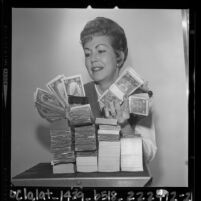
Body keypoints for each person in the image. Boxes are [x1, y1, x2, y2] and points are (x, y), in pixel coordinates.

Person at [80, 17, 157, 163]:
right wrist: (59, 120)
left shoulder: (138, 96)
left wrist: (125, 126)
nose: (93, 59)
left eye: (101, 51)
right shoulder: (80, 95)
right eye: (87, 53)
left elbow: (148, 154)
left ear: (119, 57)